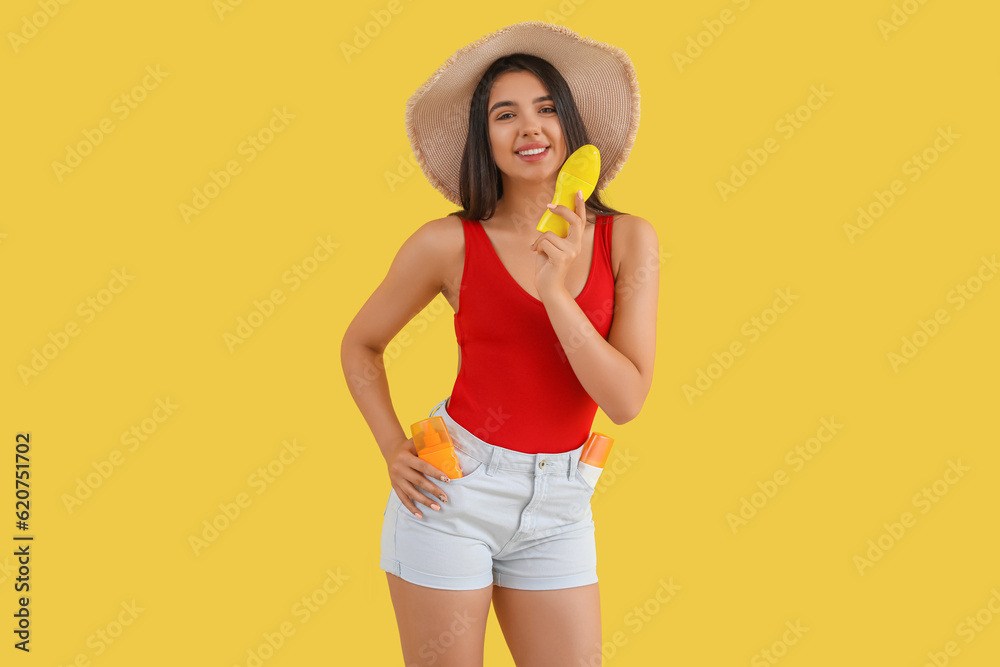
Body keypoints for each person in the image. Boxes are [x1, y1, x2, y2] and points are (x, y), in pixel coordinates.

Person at [341, 21, 658, 667]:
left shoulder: (627, 239)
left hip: (563, 501)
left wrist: (555, 291)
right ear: (485, 139)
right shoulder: (446, 244)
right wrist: (389, 447)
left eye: (546, 109)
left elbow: (624, 400)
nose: (529, 128)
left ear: (570, 127)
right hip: (454, 489)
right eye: (505, 114)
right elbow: (360, 345)